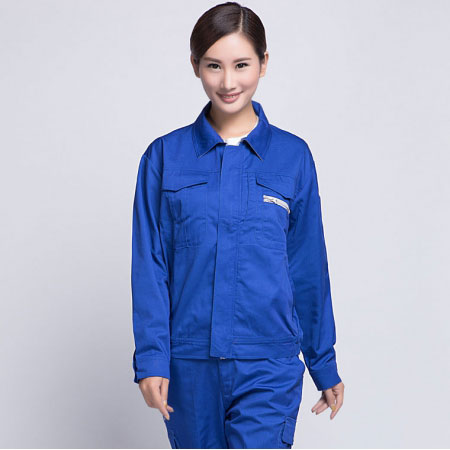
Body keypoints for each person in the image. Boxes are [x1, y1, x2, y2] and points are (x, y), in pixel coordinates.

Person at [131, 2, 345, 448]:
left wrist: (322, 362)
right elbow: (150, 266)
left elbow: (307, 266)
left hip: (268, 362)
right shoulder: (164, 157)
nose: (228, 82)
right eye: (214, 65)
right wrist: (152, 359)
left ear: (263, 63)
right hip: (189, 365)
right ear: (195, 65)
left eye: (241, 64)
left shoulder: (293, 157)